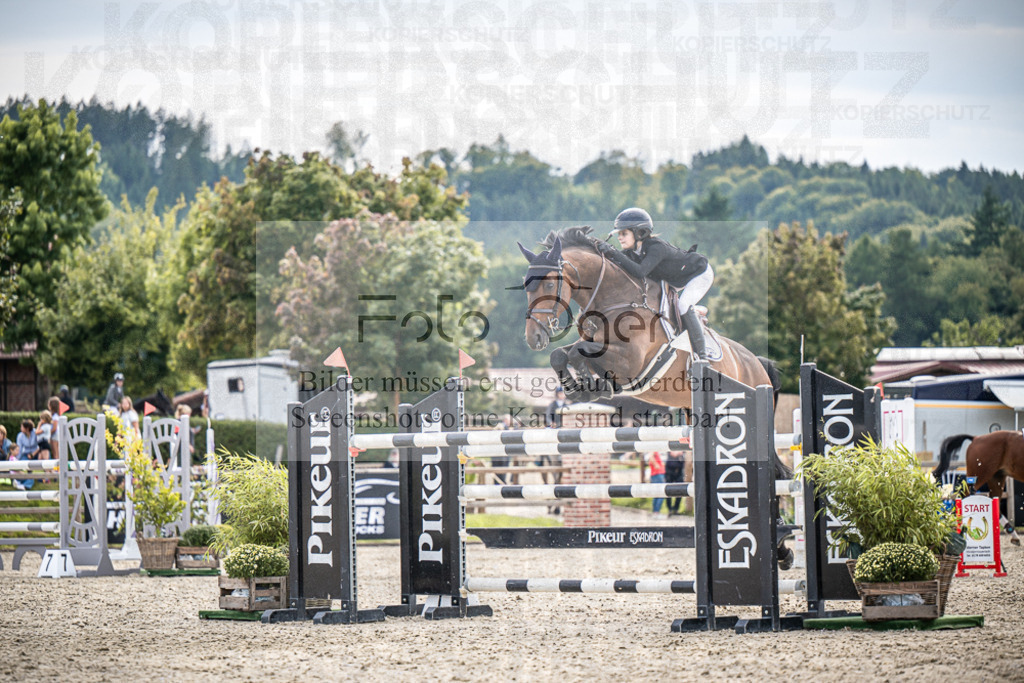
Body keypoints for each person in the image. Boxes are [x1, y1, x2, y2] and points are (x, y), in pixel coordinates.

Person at [596, 207, 713, 360]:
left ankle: (702, 356)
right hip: (675, 279)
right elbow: (619, 264)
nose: (620, 237)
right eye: (619, 234)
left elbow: (640, 271)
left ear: (639, 233)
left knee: (683, 305)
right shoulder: (632, 252)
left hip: (698, 274)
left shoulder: (657, 248)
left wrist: (613, 251)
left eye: (624, 233)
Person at [15, 419, 39, 491]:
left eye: (22, 427)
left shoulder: (35, 432)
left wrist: (33, 454)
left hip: (37, 453)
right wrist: (16, 460)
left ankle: (23, 484)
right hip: (26, 454)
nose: (20, 428)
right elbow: (19, 449)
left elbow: (39, 446)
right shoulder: (20, 436)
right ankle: (24, 484)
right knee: (23, 464)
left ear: (27, 428)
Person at [664, 449, 686, 516]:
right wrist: (678, 452)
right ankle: (670, 509)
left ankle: (676, 509)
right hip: (670, 471)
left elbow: (679, 453)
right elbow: (673, 453)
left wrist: (678, 453)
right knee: (668, 491)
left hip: (679, 471)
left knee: (680, 491)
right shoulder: (670, 444)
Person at [647, 450, 666, 514]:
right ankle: (656, 511)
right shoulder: (654, 449)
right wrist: (656, 465)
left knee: (656, 493)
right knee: (661, 493)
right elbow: (651, 457)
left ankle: (655, 511)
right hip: (658, 474)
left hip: (655, 474)